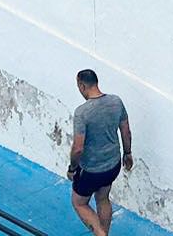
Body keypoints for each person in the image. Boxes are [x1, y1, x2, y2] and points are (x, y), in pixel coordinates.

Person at [67, 68, 131, 236]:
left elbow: (78, 148)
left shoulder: (82, 113)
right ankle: (104, 232)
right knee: (102, 198)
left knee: (79, 203)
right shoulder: (116, 101)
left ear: (82, 86)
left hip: (91, 170)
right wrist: (128, 153)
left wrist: (72, 168)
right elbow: (125, 130)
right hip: (113, 164)